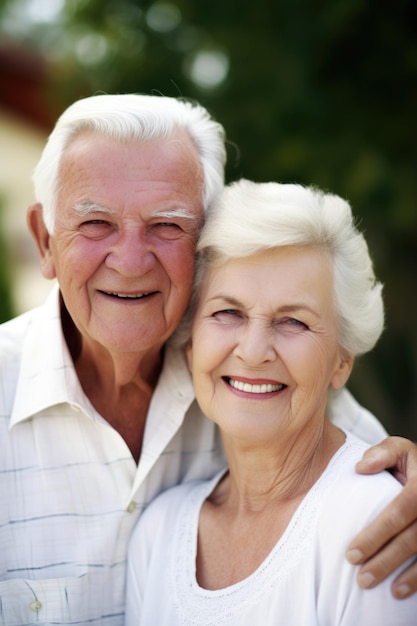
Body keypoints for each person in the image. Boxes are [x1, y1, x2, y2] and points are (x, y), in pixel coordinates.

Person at [0, 94, 415, 625]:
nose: (129, 263)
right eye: (96, 223)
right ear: (44, 240)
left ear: (202, 252)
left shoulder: (237, 373)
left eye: (167, 225)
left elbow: (366, 461)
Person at [125, 179, 416, 625]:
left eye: (293, 321)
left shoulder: (382, 521)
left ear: (342, 360)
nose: (254, 350)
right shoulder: (159, 531)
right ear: (190, 343)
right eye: (227, 313)